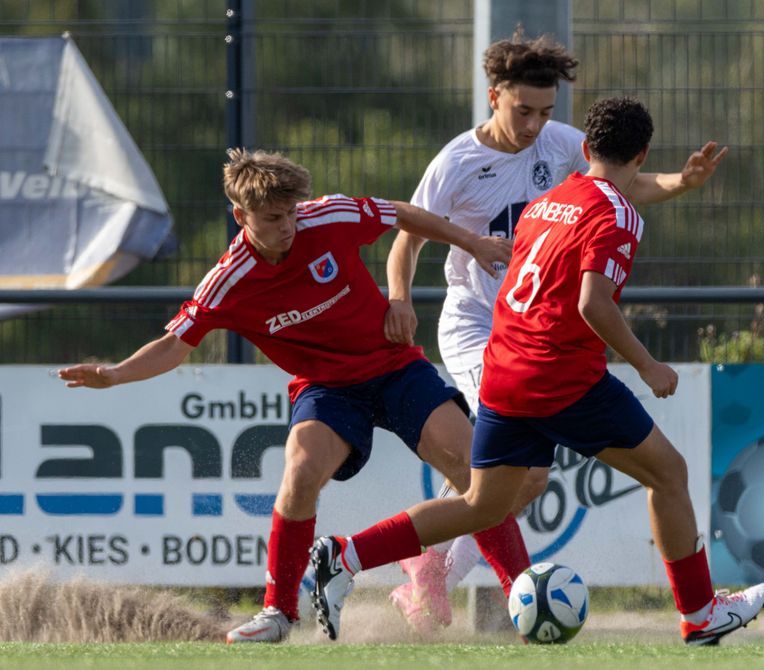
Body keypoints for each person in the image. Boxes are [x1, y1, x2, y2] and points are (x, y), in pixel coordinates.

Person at [309, 97, 764, 647]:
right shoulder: (618, 215)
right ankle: (699, 614)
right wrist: (648, 366)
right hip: (562, 378)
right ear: (643, 153)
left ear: (587, 147)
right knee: (667, 474)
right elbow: (593, 304)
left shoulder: (549, 201)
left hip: (505, 371)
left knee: (483, 504)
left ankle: (345, 555)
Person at [58, 148, 532, 644]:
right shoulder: (229, 279)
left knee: (476, 471)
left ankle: (522, 600)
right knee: (300, 473)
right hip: (327, 389)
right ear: (241, 217)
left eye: (291, 213)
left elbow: (401, 213)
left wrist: (471, 243)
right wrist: (115, 374)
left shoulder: (325, 216)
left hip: (394, 366)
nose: (288, 226)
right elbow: (175, 345)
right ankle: (278, 613)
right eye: (273, 218)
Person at [384, 28, 729, 633]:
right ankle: (445, 572)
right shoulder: (457, 162)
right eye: (523, 111)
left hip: (536, 331)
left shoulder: (562, 142)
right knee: (509, 475)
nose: (534, 125)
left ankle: (427, 564)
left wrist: (682, 182)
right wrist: (399, 297)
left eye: (545, 113)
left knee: (518, 483)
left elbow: (623, 182)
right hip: (476, 328)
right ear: (495, 96)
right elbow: (408, 239)